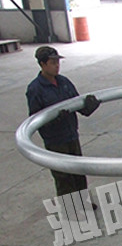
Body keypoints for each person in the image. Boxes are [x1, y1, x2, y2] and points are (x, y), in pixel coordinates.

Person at [26, 46, 100, 206]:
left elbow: (78, 104)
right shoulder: (35, 89)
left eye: (58, 62)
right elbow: (35, 119)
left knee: (79, 171)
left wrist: (90, 106)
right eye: (53, 62)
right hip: (55, 141)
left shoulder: (64, 82)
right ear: (43, 64)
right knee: (63, 177)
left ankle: (82, 203)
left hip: (71, 135)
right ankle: (70, 211)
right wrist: (54, 120)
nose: (57, 66)